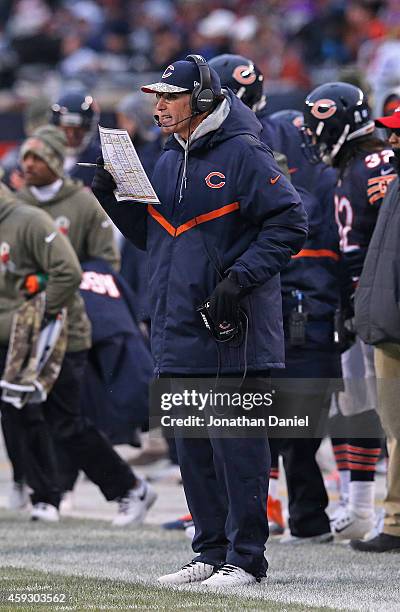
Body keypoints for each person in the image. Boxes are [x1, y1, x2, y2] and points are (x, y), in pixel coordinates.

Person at [92, 55, 307, 586]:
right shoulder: (165, 158)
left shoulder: (245, 152)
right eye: (155, 97)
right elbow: (153, 240)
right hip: (178, 327)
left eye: (169, 96)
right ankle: (209, 551)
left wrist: (238, 280)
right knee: (193, 449)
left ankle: (247, 558)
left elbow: (291, 221)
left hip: (234, 328)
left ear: (204, 99)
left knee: (238, 447)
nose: (158, 106)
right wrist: (110, 196)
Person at [209, 54, 341, 542]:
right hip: (282, 282)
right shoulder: (277, 131)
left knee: (276, 414)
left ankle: (299, 513)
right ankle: (279, 512)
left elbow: (294, 214)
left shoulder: (249, 143)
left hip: (286, 284)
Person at [1, 124, 157, 525]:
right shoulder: (17, 208)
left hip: (65, 327)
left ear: (56, 161)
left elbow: (93, 269)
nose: (30, 165)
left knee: (63, 419)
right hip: (20, 333)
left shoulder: (44, 215)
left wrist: (40, 309)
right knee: (21, 413)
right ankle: (43, 493)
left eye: (39, 157)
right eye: (27, 158)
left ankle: (126, 488)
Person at [303, 81, 397, 540]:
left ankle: (371, 509)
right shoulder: (363, 166)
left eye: (322, 129)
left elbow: (371, 246)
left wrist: (363, 304)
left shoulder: (366, 168)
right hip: (374, 299)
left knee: (380, 409)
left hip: (380, 302)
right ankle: (364, 508)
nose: (317, 140)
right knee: (364, 408)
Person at [352, 107, 400, 552]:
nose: (392, 142)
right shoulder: (395, 184)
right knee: (394, 426)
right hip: (388, 323)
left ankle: (396, 522)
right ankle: (396, 521)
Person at [51, 90, 100, 187]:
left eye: (77, 131)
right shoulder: (43, 153)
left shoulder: (100, 159)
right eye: (65, 130)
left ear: (88, 129)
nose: (71, 135)